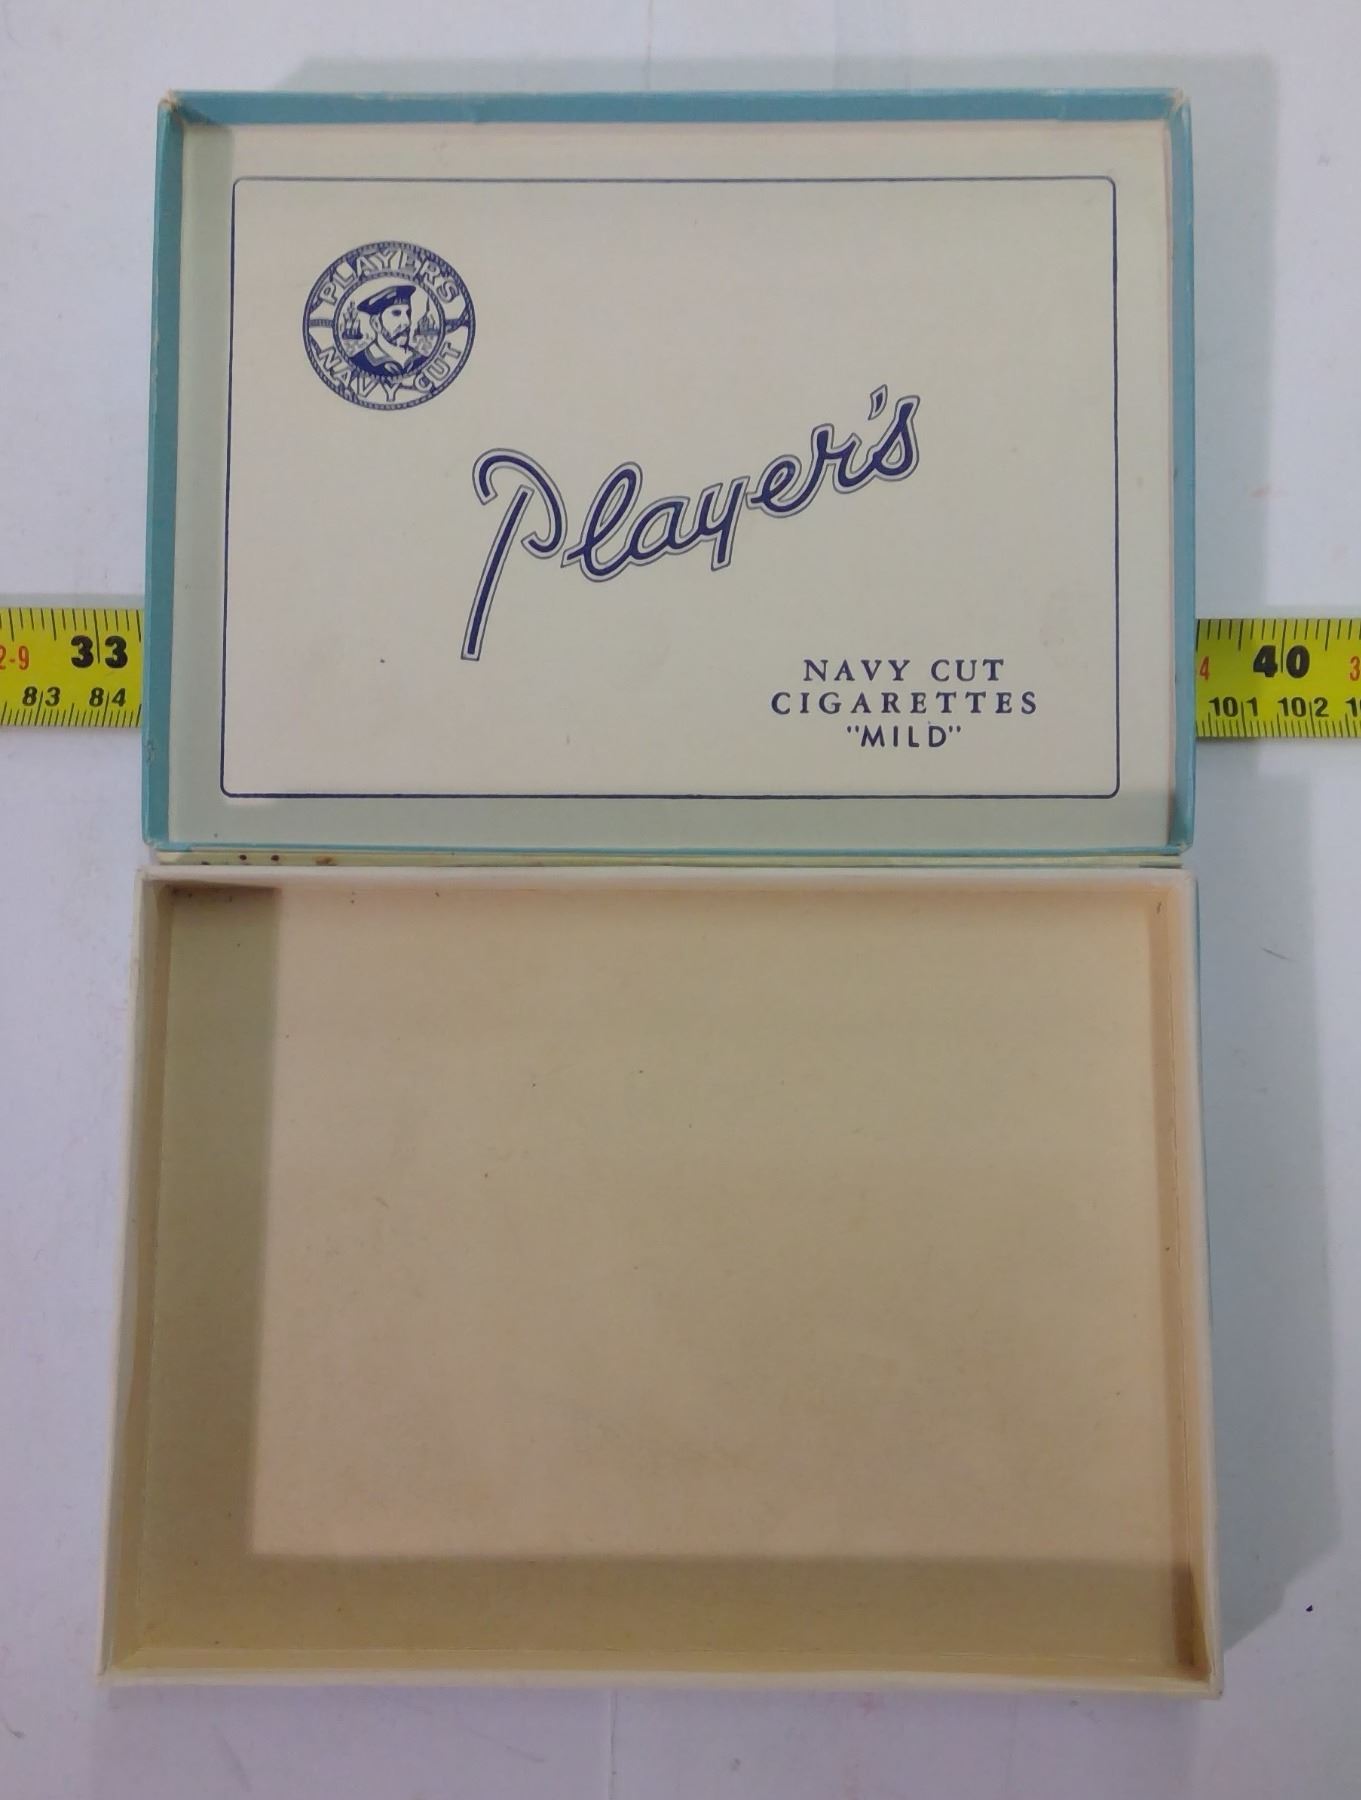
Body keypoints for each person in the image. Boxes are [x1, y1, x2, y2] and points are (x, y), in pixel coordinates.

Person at [346, 283, 425, 376]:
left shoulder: (421, 359)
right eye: (396, 313)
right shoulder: (359, 363)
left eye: (408, 313)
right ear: (376, 324)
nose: (407, 322)